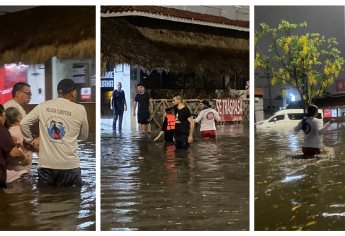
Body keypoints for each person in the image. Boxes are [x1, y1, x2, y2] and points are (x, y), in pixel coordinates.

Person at [20, 79, 89, 187]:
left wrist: (30, 140)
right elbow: (84, 136)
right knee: (72, 201)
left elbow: (23, 123)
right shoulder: (80, 109)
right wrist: (71, 136)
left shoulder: (43, 106)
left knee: (46, 199)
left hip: (46, 166)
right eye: (76, 91)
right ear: (72, 92)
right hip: (70, 166)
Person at [0, 104, 26, 188]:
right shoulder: (3, 132)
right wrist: (25, 158)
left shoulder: (8, 131)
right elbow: (14, 153)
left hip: (7, 171)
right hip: (18, 171)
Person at [5, 107, 32, 183]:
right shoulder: (25, 132)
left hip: (9, 172)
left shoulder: (6, 133)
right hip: (23, 172)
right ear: (18, 119)